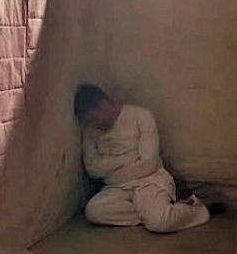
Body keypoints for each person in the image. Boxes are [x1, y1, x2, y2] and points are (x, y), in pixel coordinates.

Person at [74, 83, 213, 233]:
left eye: (94, 119)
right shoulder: (90, 130)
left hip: (149, 180)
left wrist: (111, 169)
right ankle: (153, 213)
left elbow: (149, 163)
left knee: (160, 223)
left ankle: (197, 210)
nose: (94, 125)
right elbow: (93, 169)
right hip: (116, 187)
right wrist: (130, 157)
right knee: (94, 211)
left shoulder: (141, 116)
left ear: (103, 104)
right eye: (89, 122)